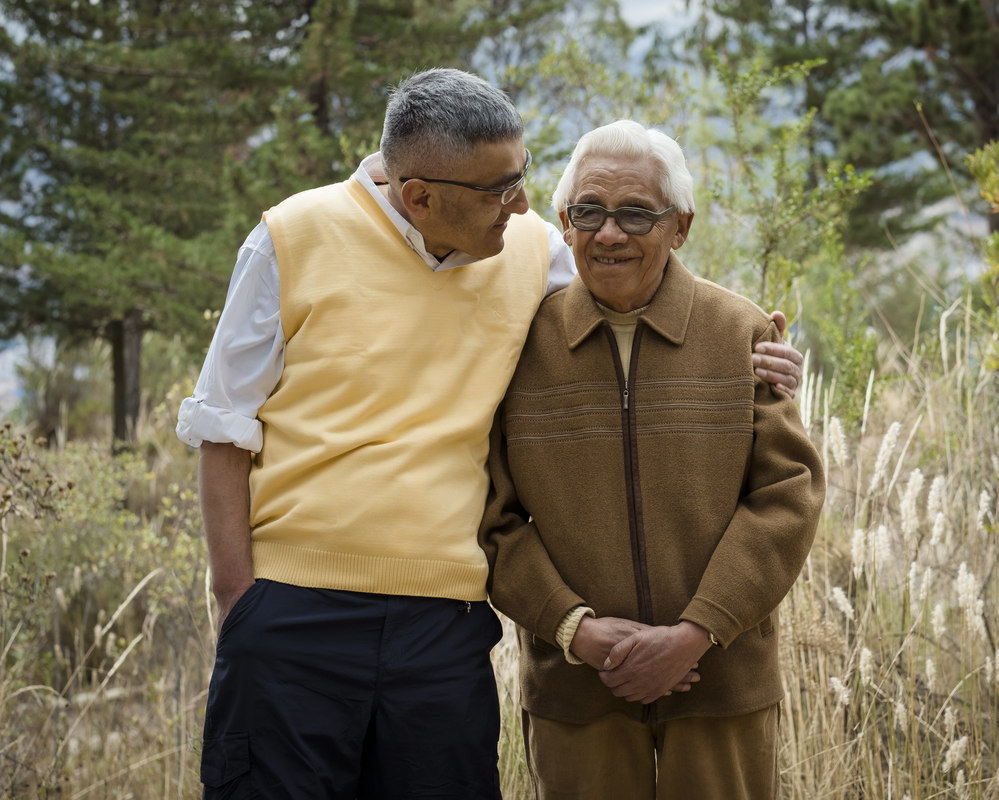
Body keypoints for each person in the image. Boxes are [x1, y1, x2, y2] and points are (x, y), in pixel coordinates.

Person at [176, 69, 805, 798]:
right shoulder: (291, 236)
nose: (525, 204)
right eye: (499, 189)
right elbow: (224, 423)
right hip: (294, 611)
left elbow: (638, 273)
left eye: (524, 177)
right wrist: (238, 604)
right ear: (420, 197)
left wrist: (759, 348)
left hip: (443, 628)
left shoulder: (531, 247)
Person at [479, 119, 826, 800]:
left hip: (722, 684)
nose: (610, 233)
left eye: (637, 212)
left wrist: (696, 633)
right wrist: (579, 633)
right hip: (577, 691)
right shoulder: (518, 348)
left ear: (680, 226)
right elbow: (491, 518)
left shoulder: (742, 335)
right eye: (590, 212)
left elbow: (787, 496)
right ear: (564, 222)